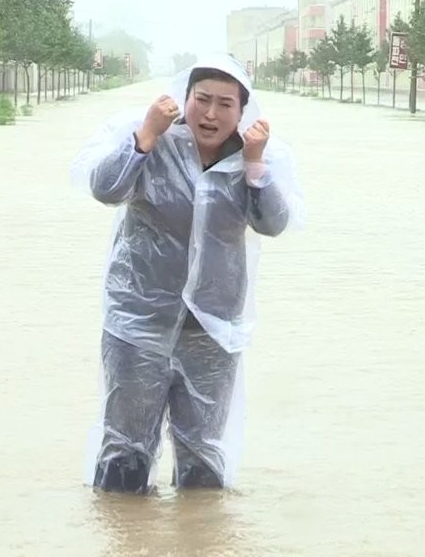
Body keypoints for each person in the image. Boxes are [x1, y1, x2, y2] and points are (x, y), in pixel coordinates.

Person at [70, 54, 304, 494]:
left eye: (225, 104)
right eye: (203, 100)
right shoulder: (157, 144)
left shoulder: (248, 161)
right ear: (185, 99)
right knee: (125, 454)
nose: (211, 114)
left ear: (242, 111)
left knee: (203, 458)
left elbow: (273, 223)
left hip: (211, 332)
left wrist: (255, 165)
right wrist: (145, 136)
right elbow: (106, 189)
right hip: (137, 325)